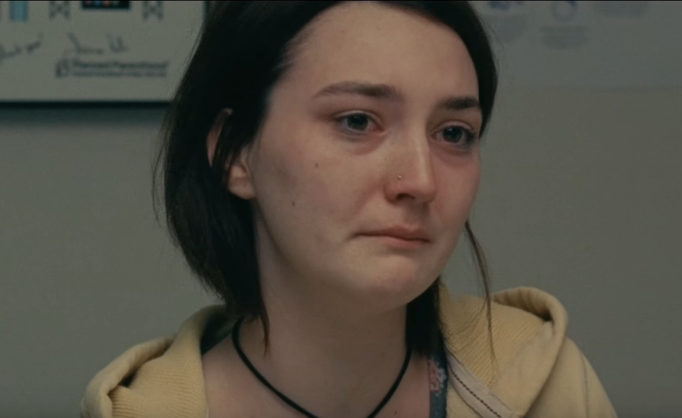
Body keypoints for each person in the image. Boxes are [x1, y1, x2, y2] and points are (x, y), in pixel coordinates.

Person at [80, 2, 617, 417]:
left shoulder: (550, 387)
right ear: (236, 154)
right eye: (358, 121)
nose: (421, 181)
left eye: (454, 133)